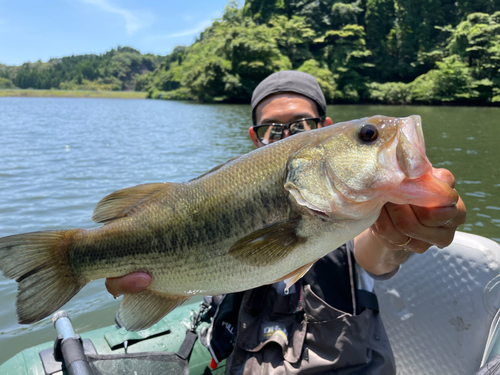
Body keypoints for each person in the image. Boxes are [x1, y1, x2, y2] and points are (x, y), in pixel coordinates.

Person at [105, 71, 466, 374]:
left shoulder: (360, 215)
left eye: (301, 125)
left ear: (324, 127)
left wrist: (401, 235)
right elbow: (207, 270)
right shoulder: (230, 197)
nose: (288, 136)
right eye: (272, 130)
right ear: (255, 138)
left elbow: (376, 255)